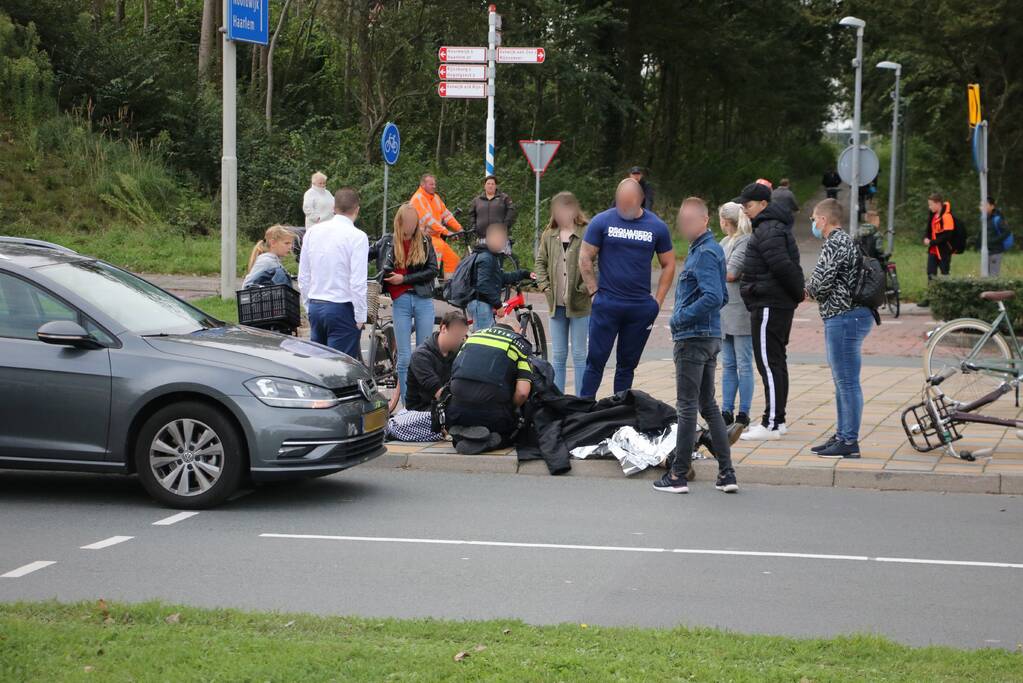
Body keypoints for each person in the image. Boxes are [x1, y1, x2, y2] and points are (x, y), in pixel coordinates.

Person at [654, 197, 738, 495]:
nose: (685, 225)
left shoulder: (704, 252)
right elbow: (722, 297)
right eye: (682, 221)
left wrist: (680, 319)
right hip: (709, 336)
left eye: (691, 220)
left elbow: (714, 297)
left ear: (705, 221)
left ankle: (677, 475)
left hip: (693, 339)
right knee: (707, 405)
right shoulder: (711, 249)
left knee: (687, 407)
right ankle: (727, 473)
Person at [579, 178, 676, 398]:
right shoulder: (602, 221)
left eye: (629, 204)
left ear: (641, 200)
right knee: (595, 361)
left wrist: (657, 301)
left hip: (639, 308)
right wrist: (594, 292)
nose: (624, 208)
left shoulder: (656, 226)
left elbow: (669, 264)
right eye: (621, 203)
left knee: (627, 365)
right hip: (607, 303)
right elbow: (585, 256)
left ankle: (620, 411)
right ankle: (583, 409)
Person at [805, 198, 874, 459]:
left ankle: (849, 441)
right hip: (849, 316)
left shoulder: (834, 242)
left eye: (813, 219)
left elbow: (821, 283)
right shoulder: (846, 240)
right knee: (842, 382)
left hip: (844, 317)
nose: (813, 223)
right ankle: (842, 434)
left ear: (823, 219)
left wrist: (806, 290)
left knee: (846, 382)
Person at [737, 182, 804, 441]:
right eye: (743, 207)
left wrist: (796, 292)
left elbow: (783, 267)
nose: (746, 211)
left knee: (769, 363)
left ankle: (772, 423)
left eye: (749, 206)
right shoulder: (773, 227)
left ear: (764, 204)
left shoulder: (768, 230)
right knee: (775, 363)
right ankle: (777, 419)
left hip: (769, 304)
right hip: (773, 303)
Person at [371, 203, 439, 403]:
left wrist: (405, 280)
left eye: (413, 222)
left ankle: (423, 401)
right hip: (400, 300)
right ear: (399, 222)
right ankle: (408, 404)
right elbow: (365, 254)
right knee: (404, 356)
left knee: (424, 351)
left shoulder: (425, 240)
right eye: (406, 222)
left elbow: (433, 269)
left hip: (423, 298)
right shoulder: (389, 242)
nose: (410, 226)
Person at [445, 314, 534, 454]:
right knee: (516, 432)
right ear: (520, 330)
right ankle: (490, 441)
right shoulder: (519, 343)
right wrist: (512, 409)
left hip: (455, 412)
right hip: (492, 416)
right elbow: (522, 392)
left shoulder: (474, 336)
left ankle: (461, 435)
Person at [298, 188, 368, 359]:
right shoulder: (357, 237)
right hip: (341, 307)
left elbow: (304, 275)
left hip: (316, 304)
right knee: (340, 368)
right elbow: (357, 281)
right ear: (357, 209)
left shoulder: (312, 232)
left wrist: (308, 305)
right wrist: (360, 316)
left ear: (333, 208)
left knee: (318, 367)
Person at [535, 192, 591, 394]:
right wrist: (545, 286)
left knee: (579, 355)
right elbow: (540, 262)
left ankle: (581, 400)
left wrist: (586, 289)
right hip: (555, 304)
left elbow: (598, 263)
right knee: (558, 355)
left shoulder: (587, 231)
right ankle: (558, 400)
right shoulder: (549, 234)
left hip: (580, 304)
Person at [717, 202, 754, 428]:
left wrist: (712, 271)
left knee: (744, 363)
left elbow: (731, 273)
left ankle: (744, 412)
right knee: (728, 364)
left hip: (741, 310)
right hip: (724, 310)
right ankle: (726, 410)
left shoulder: (745, 240)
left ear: (725, 221)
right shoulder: (723, 242)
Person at [468, 222, 533, 332]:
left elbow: (500, 278)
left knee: (487, 337)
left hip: (482, 303)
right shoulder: (486, 258)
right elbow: (483, 284)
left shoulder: (491, 256)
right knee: (484, 341)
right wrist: (498, 305)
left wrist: (524, 274)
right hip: (481, 304)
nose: (503, 243)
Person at [405, 311, 469, 412]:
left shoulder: (458, 350)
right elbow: (439, 393)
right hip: (420, 410)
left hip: (442, 404)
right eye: (456, 335)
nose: (459, 340)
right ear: (443, 328)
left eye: (462, 337)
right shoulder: (421, 356)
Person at [410, 174, 463, 277]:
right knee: (435, 257)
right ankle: (432, 284)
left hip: (435, 238)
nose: (434, 186)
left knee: (453, 259)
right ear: (423, 185)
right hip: (421, 238)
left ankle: (450, 287)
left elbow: (447, 215)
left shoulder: (436, 198)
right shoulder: (417, 199)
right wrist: (447, 232)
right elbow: (429, 221)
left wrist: (459, 228)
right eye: (431, 184)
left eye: (434, 184)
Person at [918, 192, 957, 307]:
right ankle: (930, 298)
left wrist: (932, 242)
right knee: (930, 274)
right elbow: (929, 229)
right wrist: (926, 237)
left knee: (945, 273)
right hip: (933, 250)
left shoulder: (947, 216)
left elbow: (947, 235)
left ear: (938, 204)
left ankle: (947, 298)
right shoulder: (933, 215)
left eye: (931, 205)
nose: (929, 207)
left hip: (944, 250)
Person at [469, 175, 518, 240]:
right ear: (484, 186)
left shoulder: (504, 198)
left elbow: (511, 211)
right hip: (481, 237)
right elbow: (472, 214)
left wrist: (505, 226)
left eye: (492, 184)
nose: (490, 186)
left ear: (496, 186)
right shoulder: (477, 200)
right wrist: (474, 226)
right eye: (488, 183)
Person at [984, 197, 1009, 277]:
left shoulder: (997, 219)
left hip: (995, 251)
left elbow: (1007, 232)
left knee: (993, 275)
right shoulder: (985, 218)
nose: (982, 207)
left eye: (985, 205)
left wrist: (994, 241)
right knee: (985, 275)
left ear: (992, 206)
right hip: (987, 251)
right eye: (981, 205)